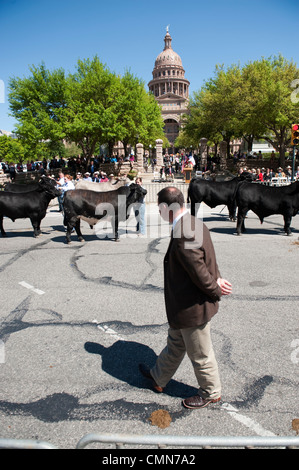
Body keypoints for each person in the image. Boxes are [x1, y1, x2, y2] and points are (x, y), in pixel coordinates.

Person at [139, 187, 232, 409]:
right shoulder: (191, 221)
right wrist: (217, 278)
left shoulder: (184, 231)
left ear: (164, 208)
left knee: (200, 353)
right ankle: (158, 377)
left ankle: (211, 392)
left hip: (192, 306)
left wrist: (215, 289)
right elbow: (207, 256)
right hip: (184, 306)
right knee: (175, 343)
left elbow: (199, 270)